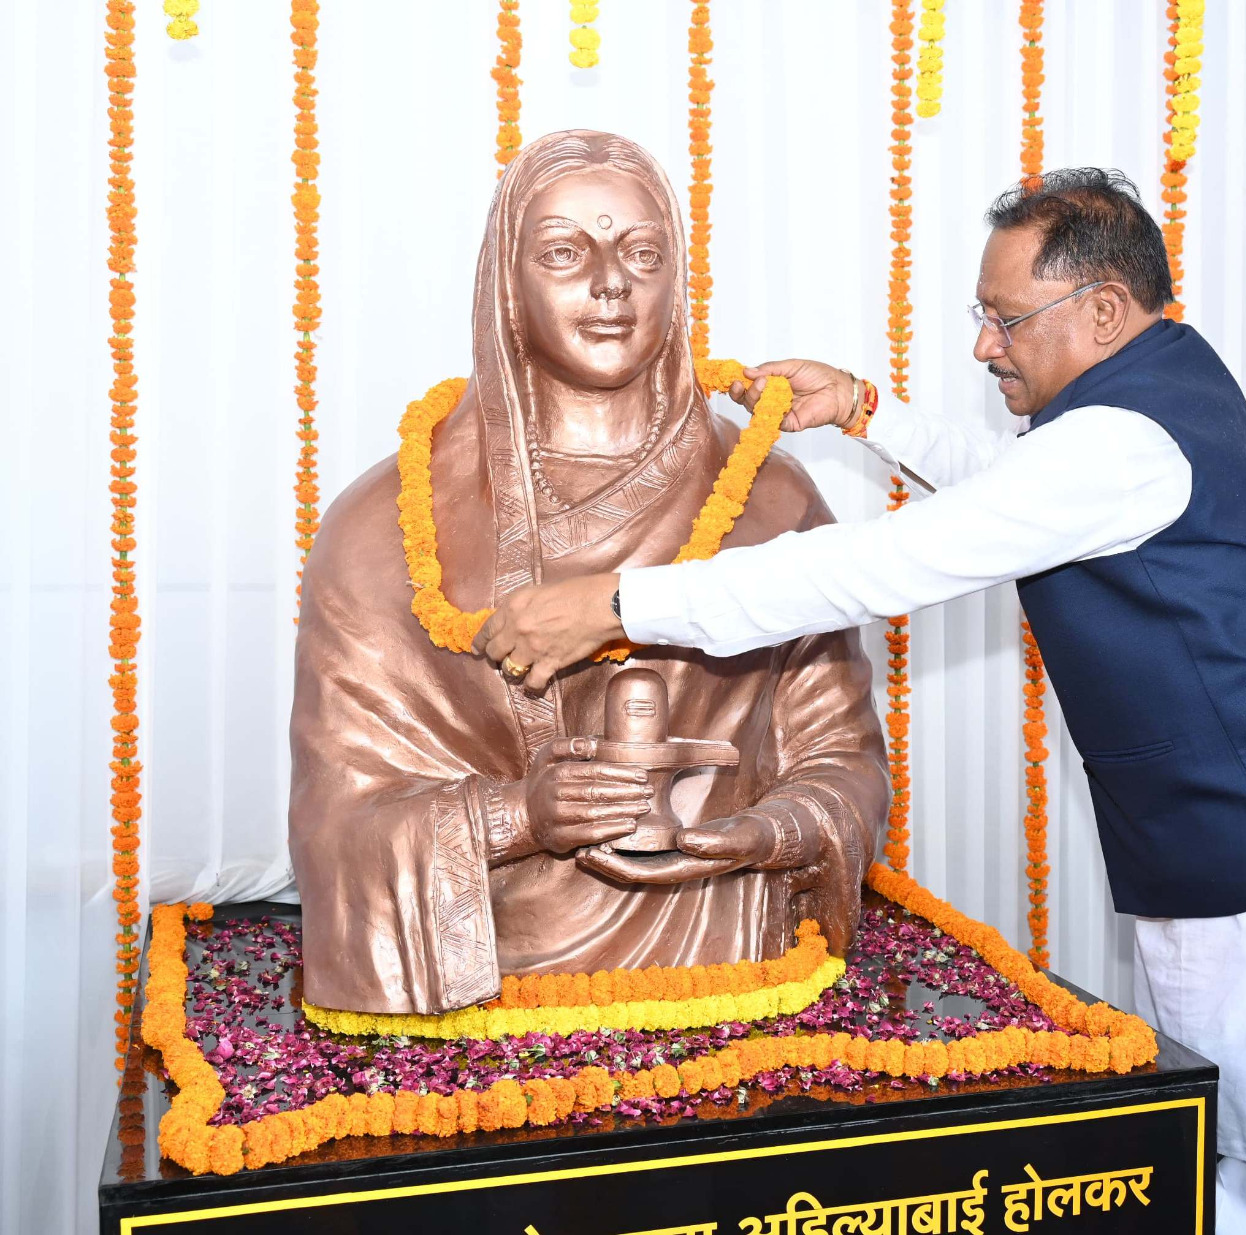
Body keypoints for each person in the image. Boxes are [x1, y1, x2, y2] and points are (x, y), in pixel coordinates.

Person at [472, 167, 1246, 1232]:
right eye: (980, 315)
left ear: (1103, 311)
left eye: (1005, 319)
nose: (985, 344)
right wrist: (866, 413)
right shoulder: (1144, 390)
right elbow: (1016, 484)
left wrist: (617, 602)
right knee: (1236, 1150)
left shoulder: (1119, 443)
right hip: (1244, 829)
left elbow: (878, 565)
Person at [289, 131, 887, 1018]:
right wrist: (520, 817)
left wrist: (760, 833)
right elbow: (339, 818)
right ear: (507, 282)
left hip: (731, 963)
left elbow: (844, 761)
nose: (612, 284)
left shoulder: (770, 499)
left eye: (643, 253)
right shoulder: (384, 529)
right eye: (565, 253)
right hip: (494, 989)